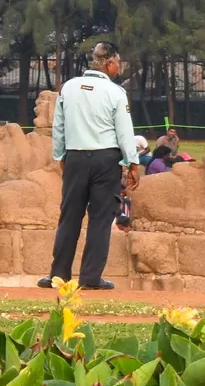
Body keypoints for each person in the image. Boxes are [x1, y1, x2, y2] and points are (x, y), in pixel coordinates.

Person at [40, 43, 139, 293]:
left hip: (75, 157)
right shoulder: (115, 92)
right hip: (106, 160)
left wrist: (61, 156)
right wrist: (132, 163)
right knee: (100, 219)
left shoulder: (68, 88)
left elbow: (58, 126)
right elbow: (124, 131)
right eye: (118, 62)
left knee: (70, 216)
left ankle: (58, 275)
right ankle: (91, 277)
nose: (119, 67)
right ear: (109, 63)